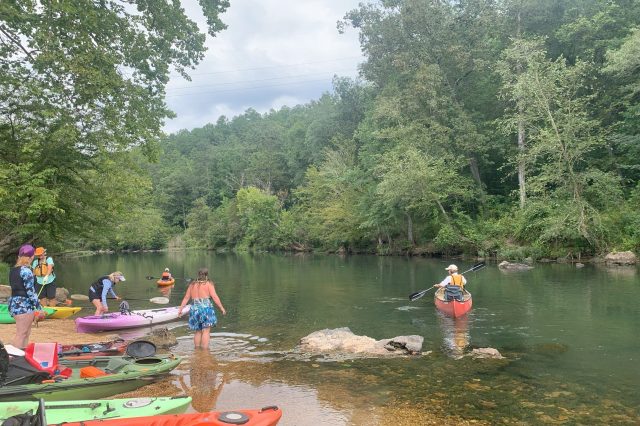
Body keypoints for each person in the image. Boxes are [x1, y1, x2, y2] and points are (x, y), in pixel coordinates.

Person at [178, 268, 226, 349]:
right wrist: (221, 308)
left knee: (198, 331)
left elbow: (186, 298)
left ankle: (197, 350)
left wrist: (180, 309)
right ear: (206, 275)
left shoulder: (192, 284)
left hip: (194, 310)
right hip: (206, 310)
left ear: (198, 275)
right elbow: (214, 297)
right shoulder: (208, 284)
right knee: (206, 331)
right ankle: (205, 352)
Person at [8, 244, 44, 348]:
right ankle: (15, 359)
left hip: (14, 303)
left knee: (25, 333)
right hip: (24, 305)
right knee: (21, 334)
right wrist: (39, 307)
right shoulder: (26, 271)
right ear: (31, 257)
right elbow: (31, 292)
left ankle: (22, 357)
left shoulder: (13, 270)